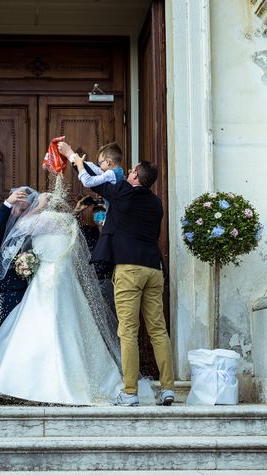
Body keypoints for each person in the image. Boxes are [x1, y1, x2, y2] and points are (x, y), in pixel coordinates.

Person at [0, 185, 154, 405]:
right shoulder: (68, 222)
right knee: (71, 328)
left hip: (46, 283)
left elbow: (22, 226)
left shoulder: (41, 220)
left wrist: (38, 207)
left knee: (37, 328)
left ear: (44, 206)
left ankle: (32, 386)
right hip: (64, 283)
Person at [59, 141, 176, 407]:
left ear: (134, 175)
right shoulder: (156, 203)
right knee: (158, 330)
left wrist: (72, 157)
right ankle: (168, 388)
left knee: (128, 331)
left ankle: (130, 391)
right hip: (154, 269)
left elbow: (91, 181)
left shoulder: (122, 191)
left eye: (131, 170)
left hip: (129, 269)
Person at [0, 187, 39, 327]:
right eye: (21, 209)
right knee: (9, 324)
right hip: (10, 284)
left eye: (26, 209)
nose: (24, 213)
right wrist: (7, 203)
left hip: (34, 283)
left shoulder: (34, 221)